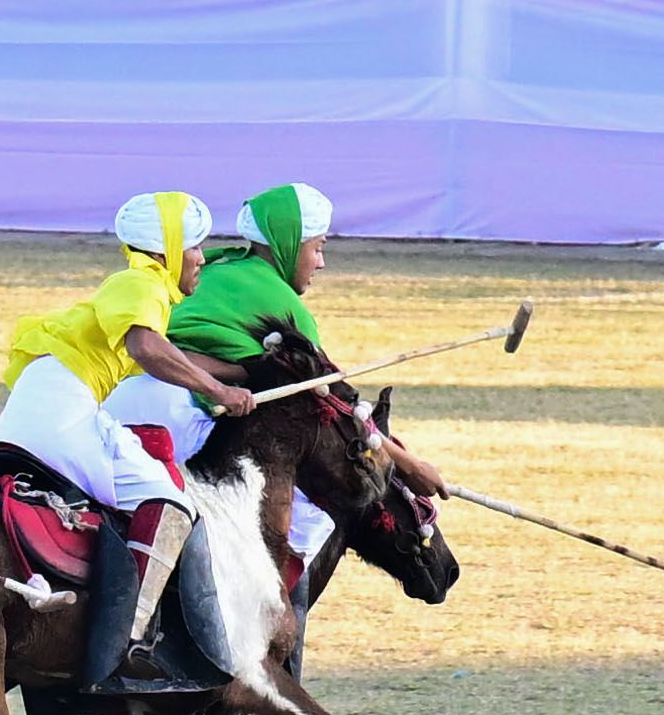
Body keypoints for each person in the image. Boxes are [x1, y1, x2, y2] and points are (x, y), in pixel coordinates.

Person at [107, 182, 446, 567]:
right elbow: (336, 408)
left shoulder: (216, 268)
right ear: (289, 245)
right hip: (178, 414)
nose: (321, 263)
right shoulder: (286, 308)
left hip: (119, 399)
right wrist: (411, 466)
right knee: (313, 514)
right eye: (317, 248)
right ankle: (269, 604)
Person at [0, 192, 256, 669]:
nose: (201, 258)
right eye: (194, 246)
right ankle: (128, 636)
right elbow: (147, 349)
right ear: (166, 250)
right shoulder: (142, 281)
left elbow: (168, 354)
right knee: (171, 502)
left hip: (41, 402)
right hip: (61, 405)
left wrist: (248, 373)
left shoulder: (141, 293)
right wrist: (218, 391)